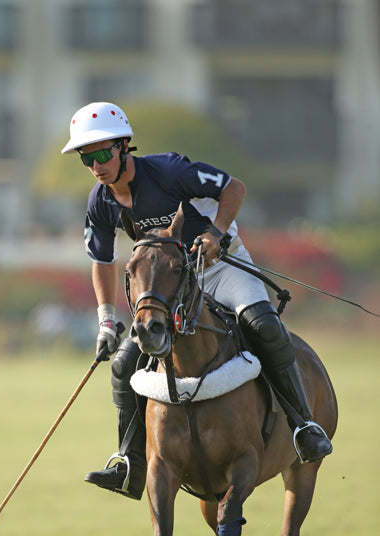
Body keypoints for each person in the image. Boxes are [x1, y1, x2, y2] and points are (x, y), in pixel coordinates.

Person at [61, 101, 332, 500]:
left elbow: (234, 188)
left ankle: (303, 426)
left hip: (220, 266)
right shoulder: (99, 202)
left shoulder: (169, 171)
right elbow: (102, 261)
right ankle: (130, 463)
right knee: (123, 364)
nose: (96, 166)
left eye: (102, 154)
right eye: (87, 158)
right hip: (168, 286)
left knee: (264, 325)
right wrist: (105, 319)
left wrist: (218, 232)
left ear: (123, 146)